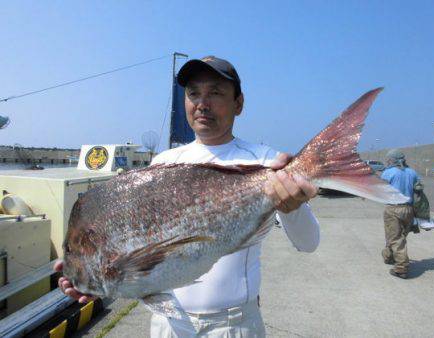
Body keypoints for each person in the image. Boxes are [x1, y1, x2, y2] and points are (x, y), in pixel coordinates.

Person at [55, 56, 320, 337]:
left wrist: (294, 206)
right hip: (168, 325)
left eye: (215, 92)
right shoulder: (162, 164)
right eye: (193, 93)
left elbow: (309, 243)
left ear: (238, 103)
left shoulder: (267, 163)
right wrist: (96, 282)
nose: (202, 103)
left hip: (233, 325)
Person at [380, 149, 419, 279]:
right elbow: (418, 189)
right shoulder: (412, 172)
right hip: (409, 209)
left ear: (392, 160)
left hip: (393, 208)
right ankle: (388, 256)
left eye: (388, 159)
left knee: (395, 238)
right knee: (400, 236)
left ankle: (401, 268)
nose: (387, 161)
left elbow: (380, 188)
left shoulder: (388, 172)